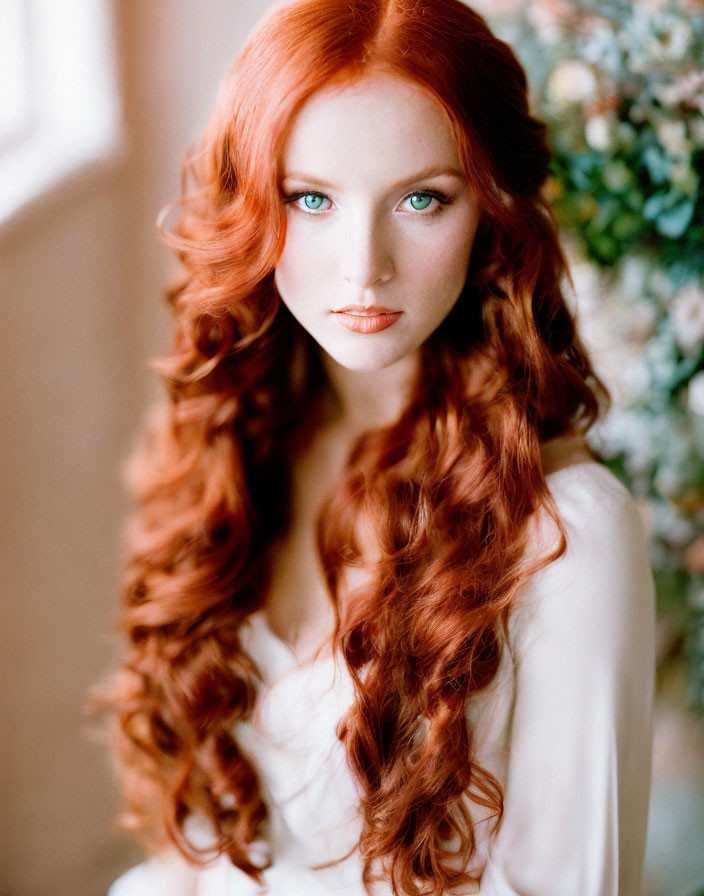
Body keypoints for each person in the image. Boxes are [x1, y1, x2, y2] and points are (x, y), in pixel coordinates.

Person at [102, 0, 656, 893]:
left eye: (422, 198)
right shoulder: (244, 438)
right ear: (251, 203)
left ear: (494, 209)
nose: (365, 266)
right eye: (310, 198)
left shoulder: (568, 538)